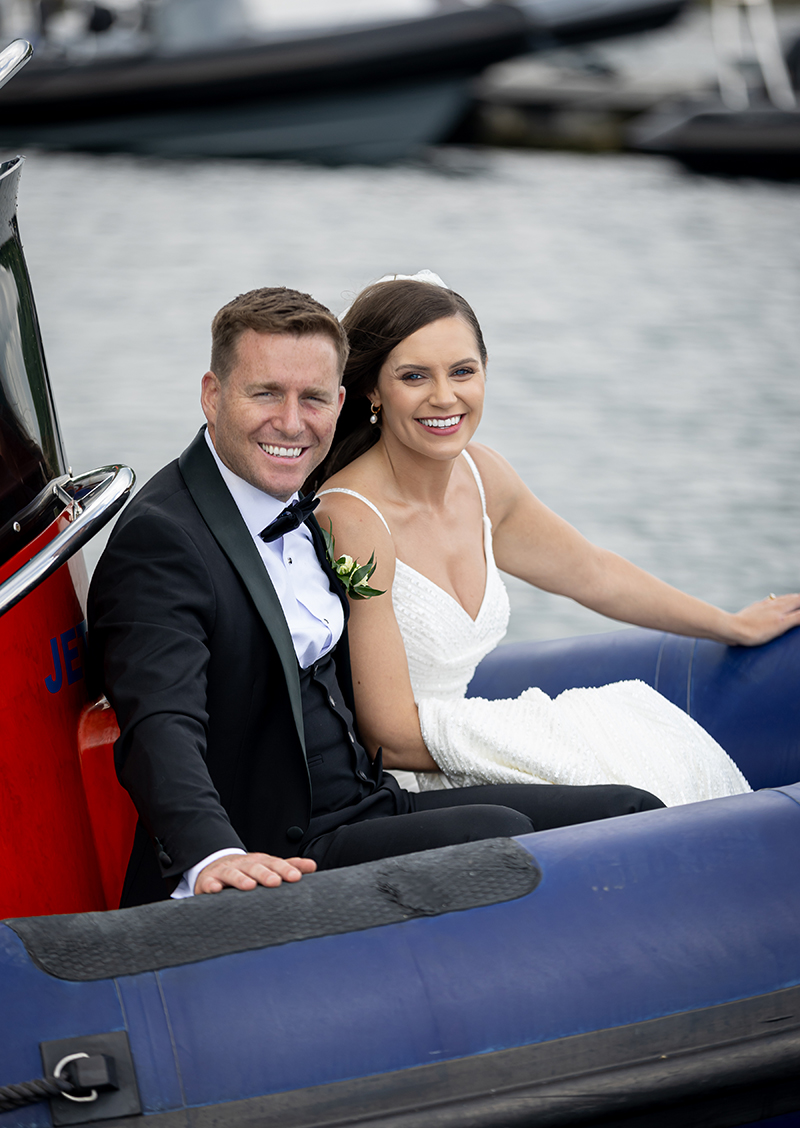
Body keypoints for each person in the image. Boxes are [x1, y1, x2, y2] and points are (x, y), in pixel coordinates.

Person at [88, 286, 666, 907]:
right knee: (497, 838)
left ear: (340, 403)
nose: (291, 421)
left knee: (626, 809)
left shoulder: (307, 507)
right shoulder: (164, 537)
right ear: (212, 394)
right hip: (278, 843)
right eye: (265, 393)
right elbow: (160, 719)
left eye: (312, 398)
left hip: (371, 801)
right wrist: (212, 852)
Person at [311, 272, 800, 803]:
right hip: (397, 782)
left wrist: (729, 624)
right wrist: (546, 735)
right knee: (621, 761)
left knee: (651, 735)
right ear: (369, 389)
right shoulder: (353, 520)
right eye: (413, 377)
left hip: (457, 749)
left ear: (485, 371)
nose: (445, 397)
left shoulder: (482, 477)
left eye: (462, 371)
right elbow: (391, 737)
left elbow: (592, 572)